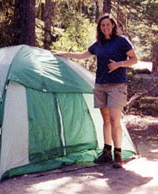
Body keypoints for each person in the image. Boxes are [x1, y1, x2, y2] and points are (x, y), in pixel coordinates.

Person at [52, 14, 138, 168]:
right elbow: (82, 55)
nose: (105, 27)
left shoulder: (121, 41)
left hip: (117, 85)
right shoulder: (98, 44)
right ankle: (106, 152)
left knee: (114, 119)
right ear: (100, 28)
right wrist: (64, 54)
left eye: (107, 24)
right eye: (102, 25)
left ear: (112, 25)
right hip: (100, 85)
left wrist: (119, 64)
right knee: (105, 120)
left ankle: (118, 155)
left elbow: (134, 59)